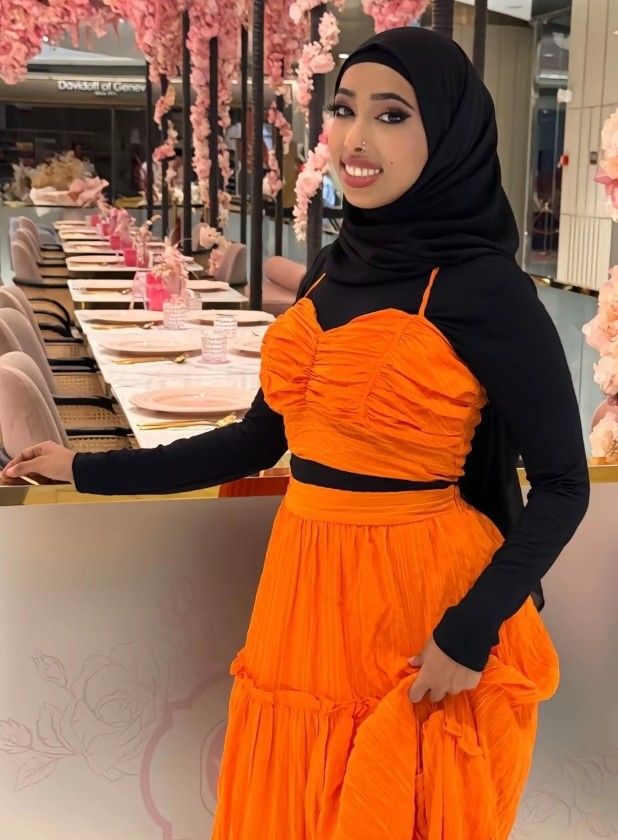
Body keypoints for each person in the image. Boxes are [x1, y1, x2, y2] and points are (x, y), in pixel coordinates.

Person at [2, 28, 589, 839]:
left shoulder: (488, 290)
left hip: (419, 591)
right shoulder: (331, 266)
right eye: (344, 109)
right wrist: (85, 467)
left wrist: (472, 624)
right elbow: (250, 443)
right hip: (305, 581)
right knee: (298, 800)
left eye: (391, 115)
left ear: (449, 135)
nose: (354, 138)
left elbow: (564, 484)